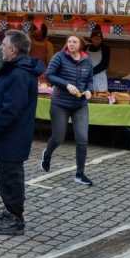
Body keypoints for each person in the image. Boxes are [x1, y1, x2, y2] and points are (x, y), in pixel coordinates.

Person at [0, 30, 44, 236]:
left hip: (12, 136)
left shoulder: (19, 74)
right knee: (6, 175)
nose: (1, 47)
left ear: (14, 49)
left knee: (11, 177)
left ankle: (16, 218)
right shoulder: (15, 69)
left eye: (4, 45)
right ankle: (10, 210)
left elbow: (11, 109)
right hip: (8, 137)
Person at [42, 35, 95, 186]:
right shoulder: (59, 57)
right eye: (69, 41)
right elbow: (49, 75)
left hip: (80, 104)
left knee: (82, 139)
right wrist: (66, 85)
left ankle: (80, 174)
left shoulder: (87, 60)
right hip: (60, 104)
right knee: (58, 138)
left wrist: (89, 90)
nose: (71, 44)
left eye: (74, 42)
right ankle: (47, 154)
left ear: (81, 45)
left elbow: (90, 80)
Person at [87, 27, 111, 94]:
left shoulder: (105, 49)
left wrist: (91, 72)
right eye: (95, 39)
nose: (97, 41)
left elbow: (104, 64)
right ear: (91, 39)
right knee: (89, 93)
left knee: (101, 94)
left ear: (101, 40)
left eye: (99, 39)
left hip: (100, 76)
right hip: (88, 76)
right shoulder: (86, 47)